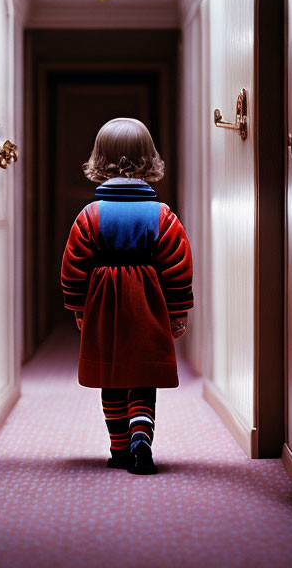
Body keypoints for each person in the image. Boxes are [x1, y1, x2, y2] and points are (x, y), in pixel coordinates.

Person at [61, 117, 193, 475]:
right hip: (149, 303)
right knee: (142, 375)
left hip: (104, 303)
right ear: (149, 159)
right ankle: (141, 436)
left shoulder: (90, 215)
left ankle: (119, 449)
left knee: (112, 376)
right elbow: (177, 264)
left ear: (98, 160)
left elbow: (74, 265)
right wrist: (178, 310)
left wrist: (78, 306)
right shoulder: (162, 215)